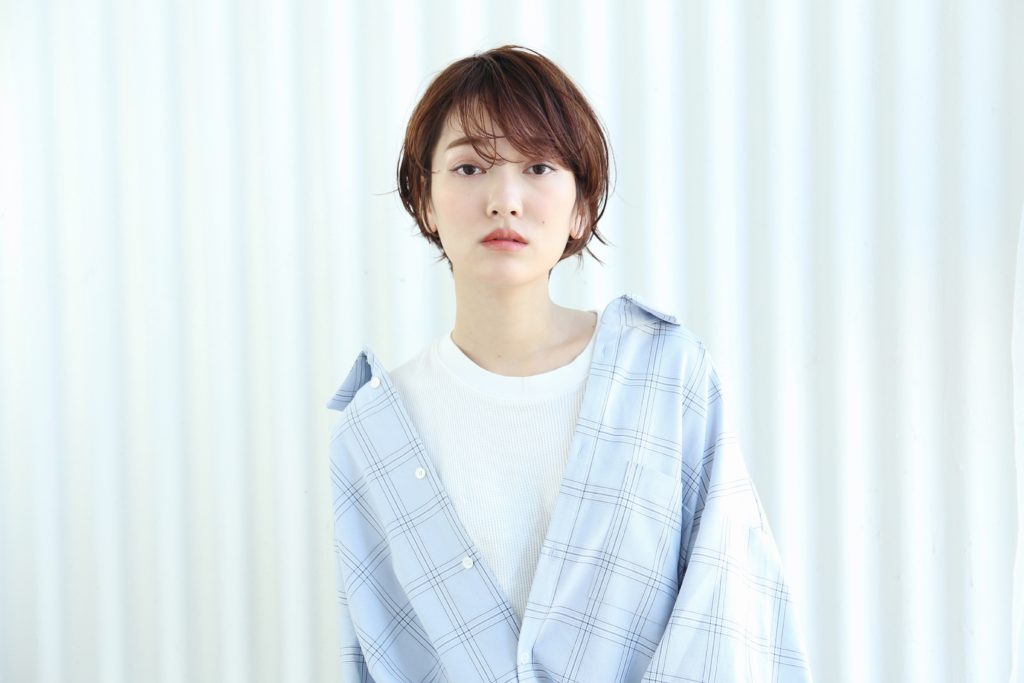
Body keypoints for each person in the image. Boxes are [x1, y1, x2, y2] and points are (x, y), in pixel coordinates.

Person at [326, 45, 812, 682]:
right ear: (424, 199)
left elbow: (729, 612)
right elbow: (373, 654)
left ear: (582, 203)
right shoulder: (371, 433)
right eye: (470, 167)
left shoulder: (665, 377)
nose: (505, 199)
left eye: (538, 166)